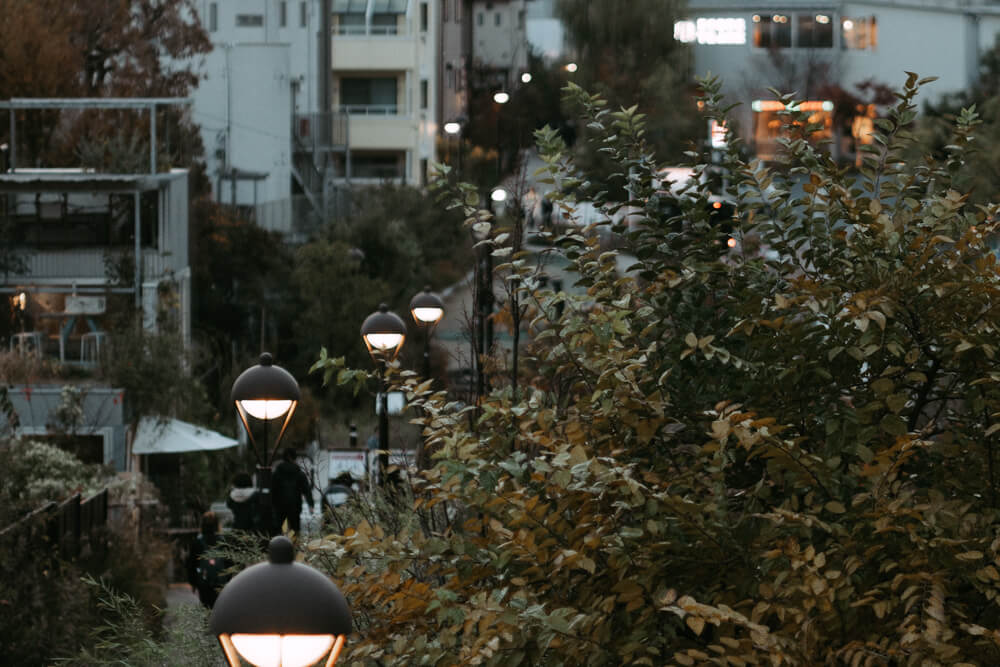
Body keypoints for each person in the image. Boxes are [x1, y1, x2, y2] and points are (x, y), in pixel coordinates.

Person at [186, 511, 228, 608]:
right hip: (220, 581)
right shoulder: (223, 542)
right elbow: (229, 562)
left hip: (204, 582)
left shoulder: (197, 542)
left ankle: (208, 623)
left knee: (206, 607)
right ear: (217, 524)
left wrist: (193, 582)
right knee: (219, 607)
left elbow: (191, 564)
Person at [270, 447, 314, 534]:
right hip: (295, 505)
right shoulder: (299, 473)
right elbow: (306, 489)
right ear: (294, 457)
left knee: (278, 528)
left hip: (279, 506)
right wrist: (311, 504)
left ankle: (278, 545)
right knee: (294, 529)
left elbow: (272, 489)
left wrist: (272, 504)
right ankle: (294, 545)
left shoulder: (277, 473)